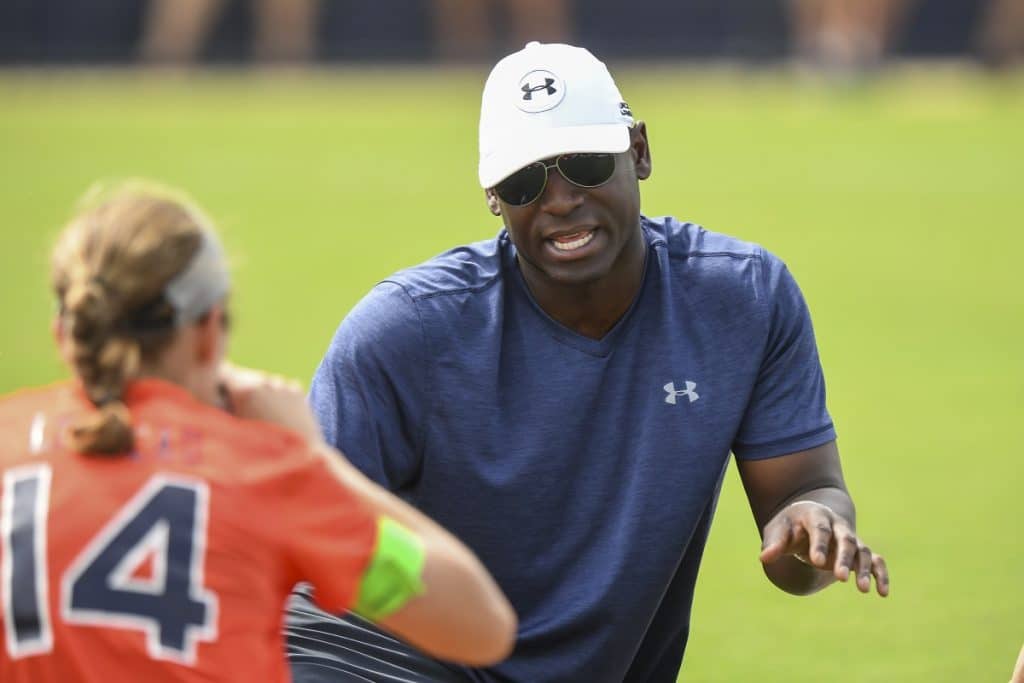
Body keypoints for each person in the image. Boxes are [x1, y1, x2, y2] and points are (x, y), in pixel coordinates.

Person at [289, 41, 890, 682]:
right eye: (524, 180)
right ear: (494, 196)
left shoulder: (741, 298)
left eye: (582, 164)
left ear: (638, 151)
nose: (558, 199)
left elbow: (802, 499)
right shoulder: (406, 329)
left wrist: (811, 526)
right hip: (379, 660)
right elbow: (310, 539)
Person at [0, 185, 516, 681]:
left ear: (64, 333)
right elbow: (482, 627)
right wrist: (314, 458)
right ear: (208, 332)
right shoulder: (264, 474)